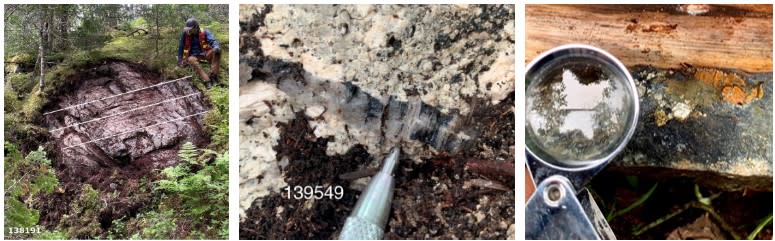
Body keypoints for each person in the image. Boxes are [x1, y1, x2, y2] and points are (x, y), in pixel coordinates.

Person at [177, 17, 221, 87]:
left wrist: (216, 46)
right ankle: (207, 81)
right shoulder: (185, 34)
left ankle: (214, 76)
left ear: (195, 27)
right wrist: (180, 60)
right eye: (188, 29)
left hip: (205, 53)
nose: (189, 31)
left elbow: (213, 41)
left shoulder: (205, 32)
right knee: (191, 60)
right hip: (193, 56)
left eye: (190, 29)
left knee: (217, 51)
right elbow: (181, 47)